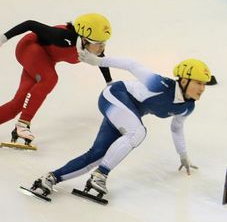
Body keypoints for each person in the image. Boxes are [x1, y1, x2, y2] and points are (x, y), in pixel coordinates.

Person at [28, 53, 211, 198]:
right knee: (137, 132)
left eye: (204, 84)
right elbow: (132, 64)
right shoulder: (160, 84)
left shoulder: (188, 106)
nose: (202, 88)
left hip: (126, 112)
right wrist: (97, 61)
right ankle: (100, 176)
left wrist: (183, 155)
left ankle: (51, 178)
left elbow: (176, 128)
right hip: (115, 95)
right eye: (198, 83)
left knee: (98, 155)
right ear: (184, 80)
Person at [0, 14, 113, 146]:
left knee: (18, 104)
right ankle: (23, 124)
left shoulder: (93, 48)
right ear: (83, 39)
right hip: (29, 47)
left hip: (44, 61)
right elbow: (30, 24)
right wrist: (3, 38)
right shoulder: (62, 36)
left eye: (104, 43)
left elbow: (102, 63)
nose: (102, 48)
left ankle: (21, 124)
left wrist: (109, 83)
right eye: (98, 44)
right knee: (50, 79)